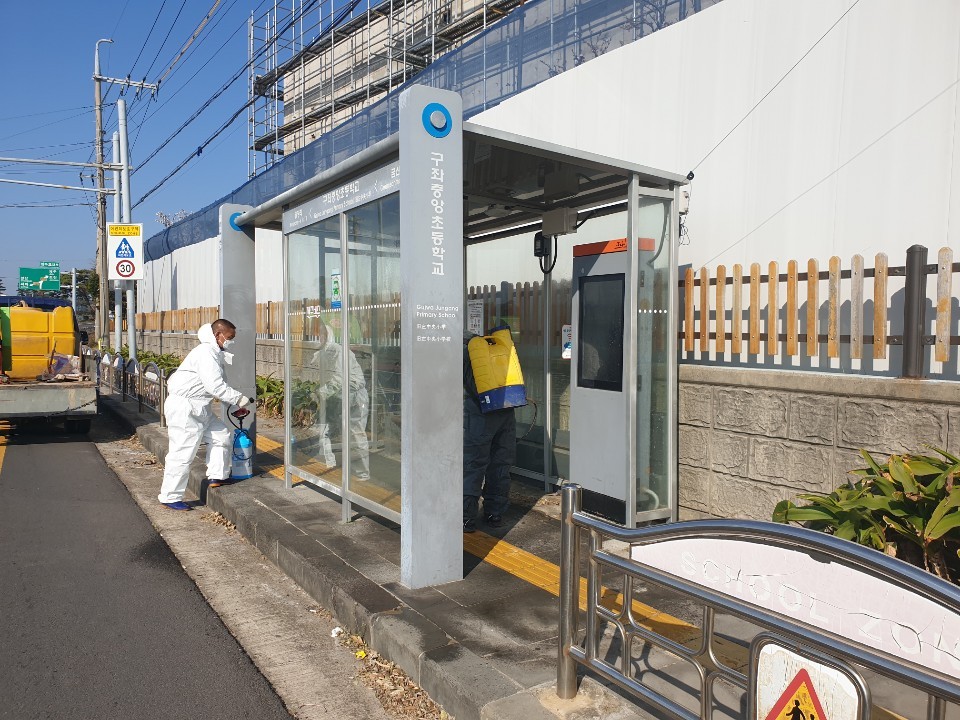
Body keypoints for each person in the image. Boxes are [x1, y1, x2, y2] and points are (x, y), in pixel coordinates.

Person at [157, 319, 254, 510]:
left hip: (200, 406)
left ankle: (217, 475)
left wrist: (234, 404)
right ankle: (170, 496)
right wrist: (239, 399)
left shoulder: (215, 353)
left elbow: (218, 386)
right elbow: (215, 386)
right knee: (182, 452)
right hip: (185, 407)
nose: (231, 341)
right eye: (230, 337)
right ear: (219, 335)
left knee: (221, 435)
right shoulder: (206, 353)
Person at [462, 328, 519, 533]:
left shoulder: (465, 351)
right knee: (500, 464)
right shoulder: (499, 346)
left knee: (473, 464)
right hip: (506, 410)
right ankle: (495, 513)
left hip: (479, 414)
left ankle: (466, 517)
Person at [310, 323, 370, 480]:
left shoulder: (337, 351)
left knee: (356, 434)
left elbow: (338, 378)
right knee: (327, 428)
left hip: (354, 396)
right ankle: (329, 463)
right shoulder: (326, 351)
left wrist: (322, 392)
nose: (319, 337)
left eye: (322, 334)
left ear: (328, 335)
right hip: (340, 395)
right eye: (318, 334)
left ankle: (362, 473)